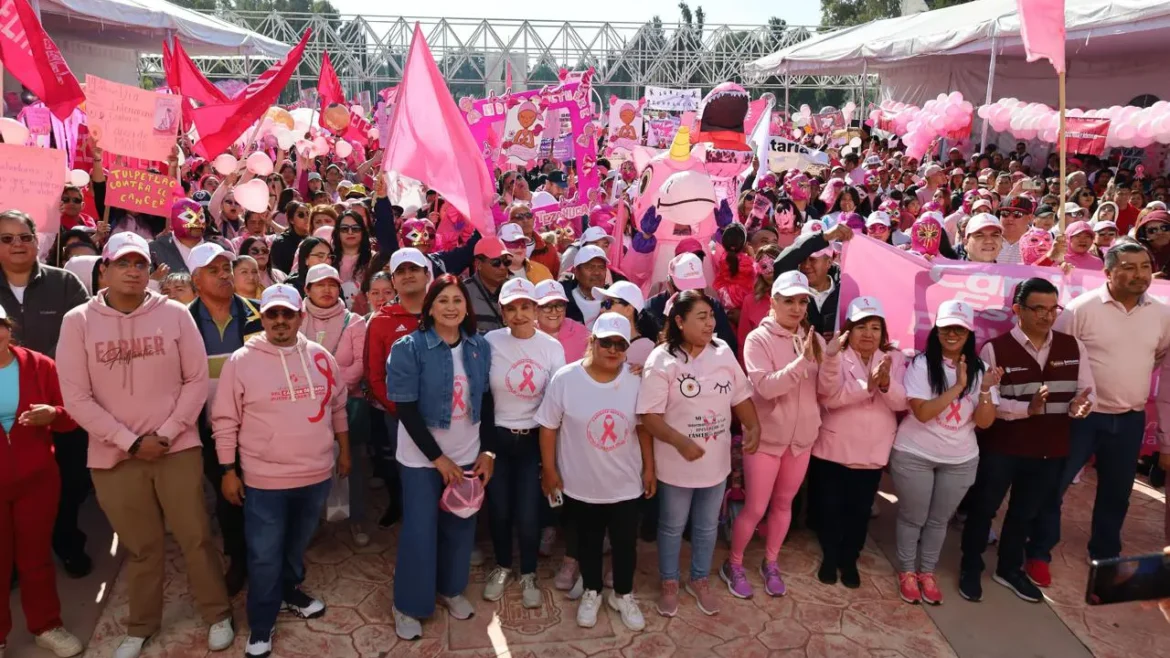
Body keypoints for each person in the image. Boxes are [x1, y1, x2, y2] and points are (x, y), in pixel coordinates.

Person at [56, 233, 235, 658]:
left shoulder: (174, 314)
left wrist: (168, 434)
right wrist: (129, 441)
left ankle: (217, 613)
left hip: (176, 448)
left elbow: (196, 381)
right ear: (105, 269)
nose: (133, 272)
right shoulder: (77, 321)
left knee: (196, 537)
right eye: (123, 264)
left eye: (140, 264)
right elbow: (75, 398)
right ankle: (141, 625)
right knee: (141, 546)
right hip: (113, 456)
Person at [212, 284, 349, 658]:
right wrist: (227, 470)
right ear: (263, 319)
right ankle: (261, 621)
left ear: (300, 317)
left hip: (316, 474)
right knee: (263, 552)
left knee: (295, 544)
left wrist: (345, 451)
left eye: (287, 314)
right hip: (264, 479)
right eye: (272, 314)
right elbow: (224, 420)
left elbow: (337, 407)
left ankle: (289, 591)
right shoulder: (241, 361)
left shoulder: (321, 357)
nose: (280, 321)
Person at [1028, 243, 1170, 588]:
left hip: (1129, 418)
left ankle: (1105, 554)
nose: (1140, 274)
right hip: (1080, 418)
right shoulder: (1081, 309)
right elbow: (1055, 356)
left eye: (1144, 266)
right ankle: (1038, 552)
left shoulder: (1162, 314)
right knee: (1054, 486)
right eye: (1129, 267)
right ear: (1108, 272)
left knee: (1117, 492)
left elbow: (1159, 356)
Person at [958, 278, 1095, 604]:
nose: (1048, 316)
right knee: (983, 509)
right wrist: (1026, 409)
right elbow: (986, 399)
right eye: (1039, 309)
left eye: (1053, 309)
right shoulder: (995, 348)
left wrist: (1081, 407)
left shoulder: (1074, 347)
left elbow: (1086, 393)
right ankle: (970, 565)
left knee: (1025, 512)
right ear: (1018, 309)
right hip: (1002, 448)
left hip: (1049, 449)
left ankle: (1008, 568)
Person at [386, 274, 496, 641]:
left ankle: (451, 589)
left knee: (460, 525)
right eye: (443, 300)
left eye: (457, 300)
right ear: (430, 307)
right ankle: (409, 604)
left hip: (467, 455)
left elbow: (486, 401)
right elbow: (405, 408)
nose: (451, 307)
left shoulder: (479, 347)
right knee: (420, 530)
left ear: (467, 307)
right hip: (422, 459)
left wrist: (487, 450)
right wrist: (438, 458)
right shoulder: (409, 348)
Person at [639, 290, 757, 613]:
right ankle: (669, 581)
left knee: (707, 526)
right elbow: (648, 416)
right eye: (701, 317)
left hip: (715, 464)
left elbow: (740, 396)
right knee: (672, 525)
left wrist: (753, 426)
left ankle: (699, 578)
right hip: (676, 464)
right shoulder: (662, 359)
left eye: (711, 315)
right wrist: (680, 442)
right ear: (679, 321)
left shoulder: (722, 352)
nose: (710, 323)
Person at [536, 313, 651, 631]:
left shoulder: (635, 379)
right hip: (580, 483)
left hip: (625, 483)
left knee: (625, 543)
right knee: (587, 541)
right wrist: (549, 469)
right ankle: (592, 591)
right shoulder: (566, 379)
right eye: (606, 342)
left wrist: (650, 469)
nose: (613, 350)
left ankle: (623, 595)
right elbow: (548, 427)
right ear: (592, 342)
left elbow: (643, 429)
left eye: (620, 344)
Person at [0, 210, 91, 578]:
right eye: (6, 239)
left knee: (69, 483)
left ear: (38, 241)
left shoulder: (65, 283)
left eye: (24, 237)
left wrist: (45, 377)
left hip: (64, 401)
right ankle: (13, 559)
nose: (17, 245)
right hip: (8, 414)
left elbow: (87, 336)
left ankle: (66, 541)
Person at [891, 300, 1000, 606]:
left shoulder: (982, 371)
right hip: (915, 453)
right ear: (936, 330)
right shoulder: (923, 365)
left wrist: (984, 390)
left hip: (960, 460)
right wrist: (959, 387)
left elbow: (984, 421)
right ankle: (907, 571)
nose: (952, 334)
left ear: (969, 334)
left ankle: (927, 571)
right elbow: (923, 413)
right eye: (946, 327)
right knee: (914, 517)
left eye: (960, 329)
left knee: (939, 520)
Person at [727, 272, 824, 599]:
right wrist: (802, 361)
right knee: (755, 508)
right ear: (773, 302)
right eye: (789, 301)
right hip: (766, 440)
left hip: (800, 442)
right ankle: (735, 564)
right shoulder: (758, 339)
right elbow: (765, 388)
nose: (796, 308)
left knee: (783, 505)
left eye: (802, 301)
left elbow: (823, 390)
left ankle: (771, 562)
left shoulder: (813, 339)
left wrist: (834, 358)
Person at [0, 305, 85, 657]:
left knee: (35, 558)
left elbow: (70, 418)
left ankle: (46, 625)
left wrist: (53, 414)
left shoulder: (38, 364)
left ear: (9, 328)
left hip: (37, 479)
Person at [812, 296, 907, 588]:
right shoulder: (836, 356)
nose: (868, 334)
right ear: (848, 330)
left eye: (875, 327)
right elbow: (827, 396)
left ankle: (849, 558)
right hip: (835, 448)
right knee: (830, 508)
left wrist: (886, 384)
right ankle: (830, 556)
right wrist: (868, 387)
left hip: (873, 450)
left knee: (860, 510)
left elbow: (902, 402)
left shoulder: (895, 358)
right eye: (861, 326)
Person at [482, 279, 566, 607]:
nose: (519, 314)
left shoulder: (550, 347)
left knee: (530, 512)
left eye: (526, 306)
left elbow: (557, 400)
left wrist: (551, 459)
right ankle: (503, 565)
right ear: (502, 312)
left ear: (536, 309)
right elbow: (482, 396)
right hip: (498, 440)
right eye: (511, 308)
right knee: (500, 511)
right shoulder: (489, 343)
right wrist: (485, 447)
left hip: (533, 441)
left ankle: (528, 571)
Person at [188, 242, 261, 595]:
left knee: (262, 496)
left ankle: (268, 556)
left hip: (260, 426)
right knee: (227, 496)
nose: (223, 275)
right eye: (213, 270)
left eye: (226, 268)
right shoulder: (182, 320)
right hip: (208, 428)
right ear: (195, 279)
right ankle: (238, 558)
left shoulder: (261, 314)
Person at [299, 265, 369, 545]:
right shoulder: (296, 317)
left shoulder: (353, 321)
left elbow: (360, 364)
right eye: (319, 284)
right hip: (304, 407)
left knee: (354, 463)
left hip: (349, 403)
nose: (327, 290)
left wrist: (330, 392)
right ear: (307, 289)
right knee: (310, 465)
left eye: (332, 284)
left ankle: (357, 519)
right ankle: (311, 521)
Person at [364, 249, 431, 528]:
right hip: (400, 416)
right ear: (394, 280)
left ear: (427, 274)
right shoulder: (380, 321)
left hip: (447, 414)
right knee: (405, 470)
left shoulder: (445, 311)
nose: (408, 275)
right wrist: (401, 411)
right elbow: (374, 374)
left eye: (413, 269)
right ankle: (406, 513)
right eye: (401, 271)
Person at [771, 219, 854, 336]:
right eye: (802, 259)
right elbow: (782, 263)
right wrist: (824, 237)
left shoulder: (846, 289)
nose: (806, 265)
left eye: (812, 259)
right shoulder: (789, 286)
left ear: (829, 262)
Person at [644, 254, 738, 352]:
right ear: (669, 285)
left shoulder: (714, 306)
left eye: (697, 288)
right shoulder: (651, 310)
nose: (692, 294)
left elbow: (729, 347)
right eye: (685, 290)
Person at [594, 281, 658, 367]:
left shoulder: (646, 347)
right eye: (603, 304)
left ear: (628, 310)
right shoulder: (597, 341)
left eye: (608, 303)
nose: (602, 309)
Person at [464, 238, 511, 334]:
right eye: (496, 262)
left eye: (506, 262)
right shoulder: (463, 292)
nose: (502, 267)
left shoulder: (514, 290)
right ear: (478, 264)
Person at [535, 280, 588, 363]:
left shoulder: (583, 333)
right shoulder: (526, 334)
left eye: (559, 305)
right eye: (546, 306)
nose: (554, 311)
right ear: (535, 309)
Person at [331, 210, 374, 313]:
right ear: (337, 232)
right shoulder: (329, 259)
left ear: (362, 232)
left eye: (355, 229)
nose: (350, 232)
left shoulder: (373, 258)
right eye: (344, 229)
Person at [562, 245, 611, 328]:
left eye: (601, 267)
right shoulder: (564, 299)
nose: (597, 272)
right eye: (590, 267)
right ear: (576, 271)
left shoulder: (613, 299)